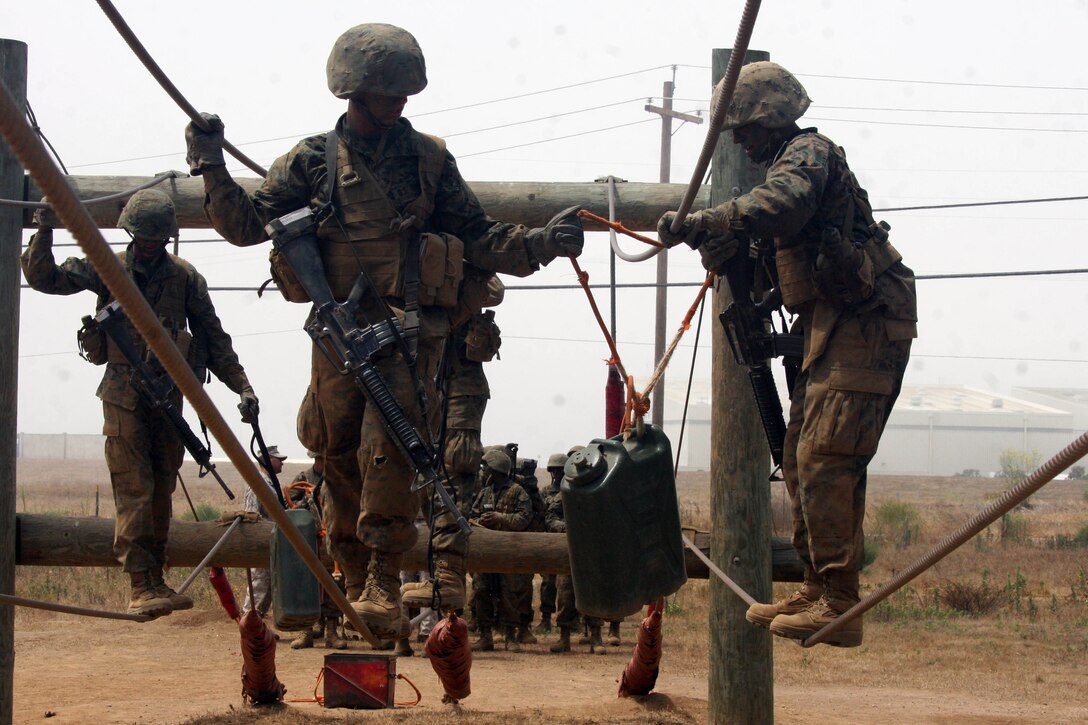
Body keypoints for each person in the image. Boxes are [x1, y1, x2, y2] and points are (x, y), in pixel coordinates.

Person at [185, 23, 583, 640]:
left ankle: (383, 577)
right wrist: (210, 163)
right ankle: (350, 568)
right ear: (352, 91)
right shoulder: (312, 160)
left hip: (403, 332)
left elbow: (478, 233)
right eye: (386, 91)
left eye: (404, 92)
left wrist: (538, 245)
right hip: (336, 331)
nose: (399, 102)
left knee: (390, 451)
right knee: (335, 450)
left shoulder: (428, 160)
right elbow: (244, 225)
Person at [658, 61, 917, 648]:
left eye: (744, 127)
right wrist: (730, 250)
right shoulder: (778, 172)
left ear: (770, 117)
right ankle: (817, 586)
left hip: (867, 321)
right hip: (831, 323)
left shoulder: (808, 155)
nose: (739, 140)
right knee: (800, 456)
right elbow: (769, 253)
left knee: (827, 454)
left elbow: (784, 203)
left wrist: (710, 218)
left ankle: (839, 601)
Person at [21, 189, 259, 618]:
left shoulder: (184, 277)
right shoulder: (107, 267)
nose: (149, 244)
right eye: (142, 237)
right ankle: (140, 584)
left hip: (168, 396)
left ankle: (157, 579)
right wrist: (44, 230)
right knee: (135, 488)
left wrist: (242, 387)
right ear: (130, 233)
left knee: (163, 487)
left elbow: (214, 338)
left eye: (156, 238)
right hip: (124, 397)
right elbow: (45, 278)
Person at [543, 450, 606, 655]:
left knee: (594, 592)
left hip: (592, 551)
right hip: (568, 551)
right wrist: (568, 527)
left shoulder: (596, 492)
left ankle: (596, 638)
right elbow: (551, 517)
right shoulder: (565, 493)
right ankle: (564, 638)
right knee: (565, 594)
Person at [468, 449, 531, 652]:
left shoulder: (517, 491)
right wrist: (481, 522)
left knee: (509, 595)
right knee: (481, 592)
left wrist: (500, 518)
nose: (484, 472)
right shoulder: (484, 492)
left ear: (496, 470)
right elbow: (471, 517)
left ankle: (510, 636)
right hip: (486, 554)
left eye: (487, 468)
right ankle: (485, 636)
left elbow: (524, 519)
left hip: (507, 554)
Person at [286, 452, 349, 650]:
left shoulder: (338, 479)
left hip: (332, 542)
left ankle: (331, 633)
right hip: (309, 542)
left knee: (334, 587)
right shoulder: (303, 479)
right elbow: (288, 505)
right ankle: (306, 632)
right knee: (307, 586)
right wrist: (304, 505)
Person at [242, 445, 288, 619]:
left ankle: (258, 627)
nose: (282, 463)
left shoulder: (269, 484)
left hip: (272, 543)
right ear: (267, 460)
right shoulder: (258, 483)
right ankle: (249, 627)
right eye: (279, 460)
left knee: (268, 587)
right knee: (259, 587)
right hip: (261, 543)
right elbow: (251, 516)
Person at [535, 453, 567, 633]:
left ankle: (571, 620)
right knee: (548, 582)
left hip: (566, 542)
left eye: (560, 470)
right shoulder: (545, 492)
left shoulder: (571, 491)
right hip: (549, 541)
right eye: (554, 470)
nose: (557, 474)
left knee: (567, 585)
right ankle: (546, 618)